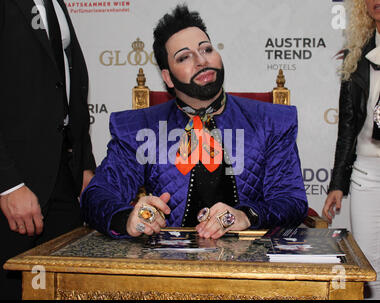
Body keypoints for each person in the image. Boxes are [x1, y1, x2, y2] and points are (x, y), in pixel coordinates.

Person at [81, 5, 307, 241]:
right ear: (167, 77)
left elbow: (291, 200)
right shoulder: (140, 127)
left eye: (206, 49)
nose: (201, 60)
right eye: (184, 57)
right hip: (170, 265)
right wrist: (127, 218)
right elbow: (97, 196)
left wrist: (246, 215)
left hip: (252, 262)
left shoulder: (271, 122)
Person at [0, 0, 96, 299]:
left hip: (63, 177)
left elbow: (68, 84)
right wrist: (8, 184)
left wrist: (83, 163)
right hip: (16, 184)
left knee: (59, 289)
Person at [323, 0, 380, 299]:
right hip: (366, 174)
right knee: (369, 270)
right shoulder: (357, 55)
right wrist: (337, 184)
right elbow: (347, 127)